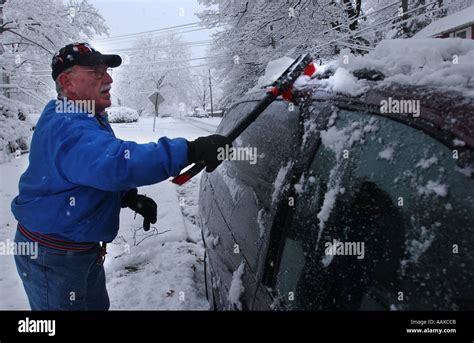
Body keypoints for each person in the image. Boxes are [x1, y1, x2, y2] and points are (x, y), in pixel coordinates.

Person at [11, 42, 230, 310]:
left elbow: (90, 171)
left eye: (106, 70)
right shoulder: (66, 125)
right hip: (54, 256)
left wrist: (127, 197)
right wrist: (191, 150)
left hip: (77, 249)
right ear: (67, 82)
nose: (109, 78)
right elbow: (117, 162)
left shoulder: (84, 116)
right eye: (96, 72)